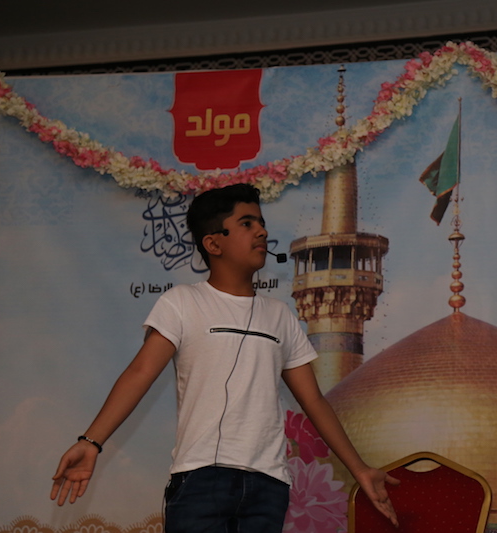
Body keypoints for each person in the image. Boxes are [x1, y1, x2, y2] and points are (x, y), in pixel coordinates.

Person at [50, 183, 399, 532]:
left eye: (261, 222)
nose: (261, 231)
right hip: (201, 480)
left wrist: (360, 469)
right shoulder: (182, 302)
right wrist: (90, 442)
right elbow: (140, 372)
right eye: (246, 223)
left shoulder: (280, 315)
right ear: (213, 244)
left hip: (268, 486)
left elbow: (313, 401)